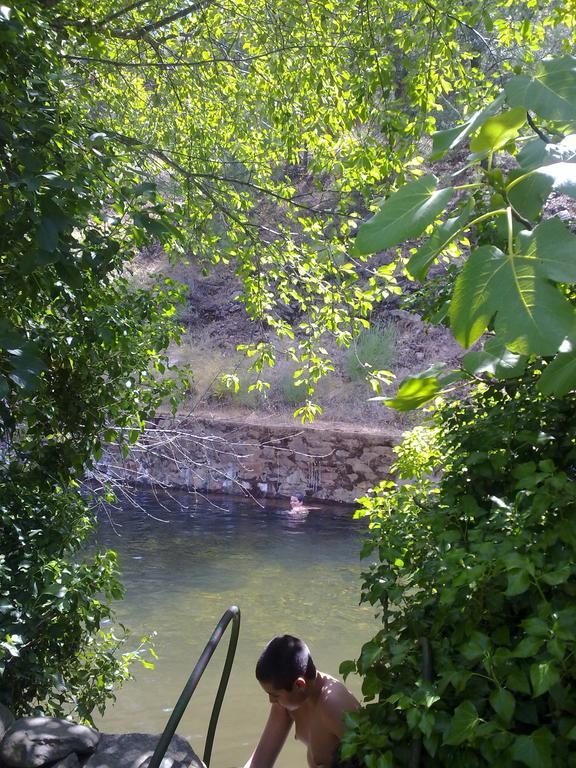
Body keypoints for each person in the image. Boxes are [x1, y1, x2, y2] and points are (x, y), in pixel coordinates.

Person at [243, 635, 359, 768]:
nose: (271, 700)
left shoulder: (335, 706)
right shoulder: (288, 702)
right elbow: (260, 761)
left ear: (299, 685)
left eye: (275, 695)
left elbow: (373, 757)